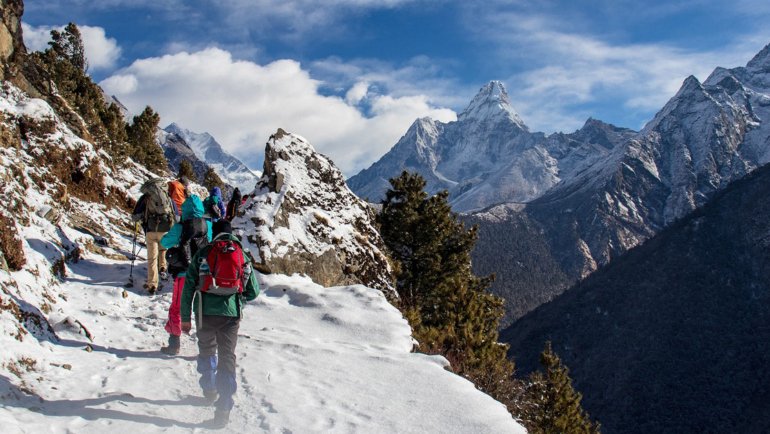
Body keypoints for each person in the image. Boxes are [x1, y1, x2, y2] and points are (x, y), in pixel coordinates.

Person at [181, 220, 259, 427]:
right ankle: (223, 408)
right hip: (231, 315)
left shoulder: (204, 253)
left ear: (214, 234)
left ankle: (209, 389)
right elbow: (254, 291)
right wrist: (238, 297)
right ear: (231, 234)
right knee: (227, 357)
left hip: (204, 312)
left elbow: (188, 286)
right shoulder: (241, 254)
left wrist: (185, 318)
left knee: (206, 350)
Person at [159, 193, 212, 355]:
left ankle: (174, 343)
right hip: (203, 274)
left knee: (177, 307)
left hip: (183, 274)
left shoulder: (180, 227)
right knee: (204, 310)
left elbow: (164, 242)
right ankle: (207, 348)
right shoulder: (207, 226)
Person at [131, 178, 177, 294]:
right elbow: (175, 213)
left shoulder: (145, 198)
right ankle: (162, 267)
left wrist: (140, 221)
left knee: (152, 258)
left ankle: (152, 284)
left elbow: (135, 215)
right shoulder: (167, 197)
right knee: (163, 250)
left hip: (151, 230)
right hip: (165, 229)